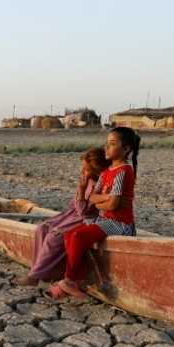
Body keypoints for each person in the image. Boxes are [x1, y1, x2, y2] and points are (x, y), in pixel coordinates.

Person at [49, 126, 141, 299]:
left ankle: (69, 280)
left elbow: (113, 206)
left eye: (112, 144)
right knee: (69, 235)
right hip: (104, 221)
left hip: (120, 224)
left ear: (126, 149)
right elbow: (91, 197)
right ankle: (76, 279)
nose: (106, 147)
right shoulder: (107, 172)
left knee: (78, 237)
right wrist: (105, 200)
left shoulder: (123, 171)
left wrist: (103, 201)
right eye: (106, 143)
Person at [15, 147, 108, 286]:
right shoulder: (86, 181)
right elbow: (74, 205)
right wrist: (81, 190)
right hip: (70, 214)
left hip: (84, 218)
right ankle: (39, 271)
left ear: (97, 170)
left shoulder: (100, 186)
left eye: (86, 169)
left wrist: (81, 191)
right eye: (82, 168)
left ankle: (35, 276)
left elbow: (84, 212)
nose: (82, 172)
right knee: (41, 228)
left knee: (54, 236)